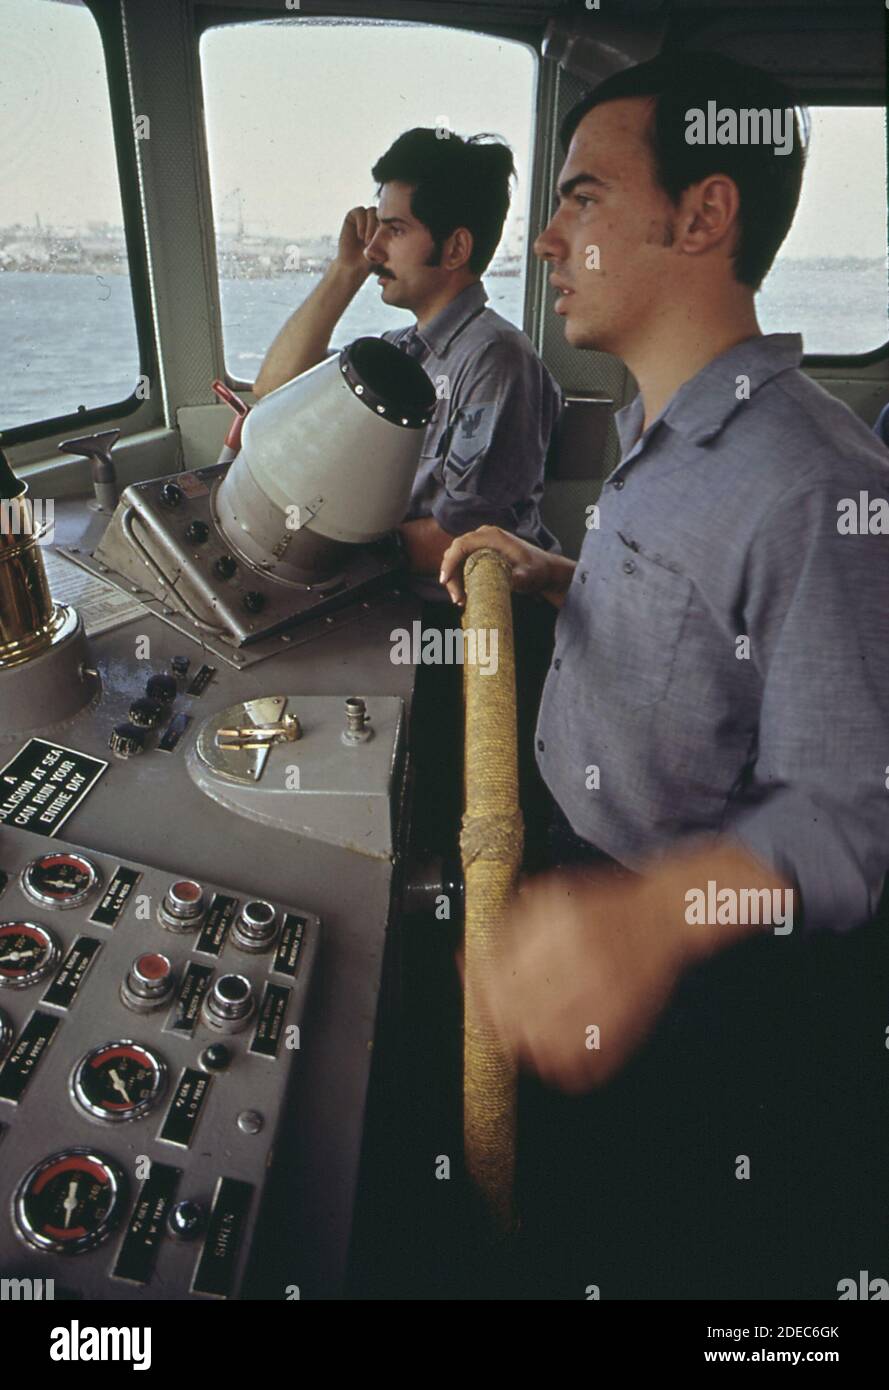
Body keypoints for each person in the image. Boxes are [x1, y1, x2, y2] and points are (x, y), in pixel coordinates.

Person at [439, 52, 889, 1298]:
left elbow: (849, 813)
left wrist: (642, 921)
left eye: (581, 196)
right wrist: (551, 572)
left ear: (702, 215)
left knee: (628, 1241)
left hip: (687, 967)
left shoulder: (821, 486)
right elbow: (699, 634)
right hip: (573, 874)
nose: (546, 238)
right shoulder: (664, 425)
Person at [253, 127, 561, 591]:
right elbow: (273, 392)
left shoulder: (496, 359)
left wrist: (321, 553)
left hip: (456, 614)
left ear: (455, 249)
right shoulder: (398, 349)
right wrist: (345, 271)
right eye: (376, 227)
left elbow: (471, 537)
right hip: (389, 590)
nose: (373, 249)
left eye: (395, 230)